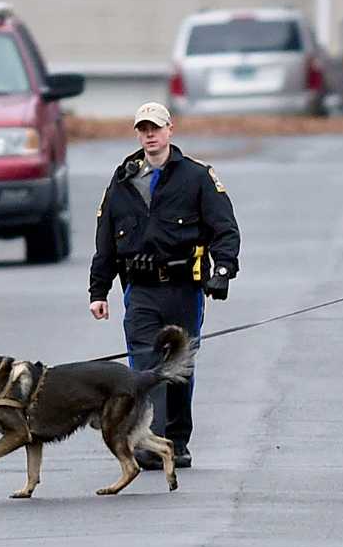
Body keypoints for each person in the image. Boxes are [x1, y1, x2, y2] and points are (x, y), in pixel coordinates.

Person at [88, 102, 240, 470]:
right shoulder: (123, 180)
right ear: (137, 134)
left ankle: (177, 439)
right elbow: (106, 237)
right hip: (139, 290)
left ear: (170, 129)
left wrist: (222, 270)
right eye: (143, 129)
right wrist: (99, 290)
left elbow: (225, 229)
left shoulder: (196, 177)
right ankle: (150, 440)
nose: (150, 135)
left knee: (178, 366)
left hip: (182, 289)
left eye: (155, 128)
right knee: (143, 367)